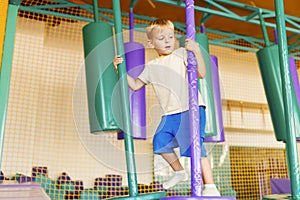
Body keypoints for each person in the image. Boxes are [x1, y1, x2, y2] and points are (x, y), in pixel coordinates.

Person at [114, 19, 220, 196]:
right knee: (160, 142)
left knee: (195, 147)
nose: (167, 41)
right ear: (151, 43)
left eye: (170, 37)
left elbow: (201, 73)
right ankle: (179, 172)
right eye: (161, 38)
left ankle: (210, 185)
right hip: (169, 113)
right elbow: (134, 85)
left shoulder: (181, 54)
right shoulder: (151, 66)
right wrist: (121, 70)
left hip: (190, 108)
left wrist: (196, 51)